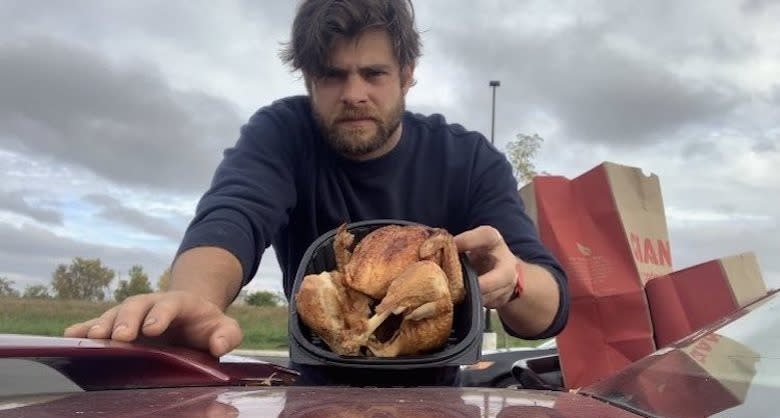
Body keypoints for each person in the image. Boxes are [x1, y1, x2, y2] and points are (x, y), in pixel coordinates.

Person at [64, 0, 569, 386]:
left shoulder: (469, 159)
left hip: (438, 403)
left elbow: (550, 308)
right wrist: (193, 299)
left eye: (373, 73)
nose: (354, 93)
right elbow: (233, 213)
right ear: (308, 79)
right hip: (312, 397)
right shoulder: (281, 134)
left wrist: (514, 280)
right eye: (332, 75)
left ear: (408, 75)